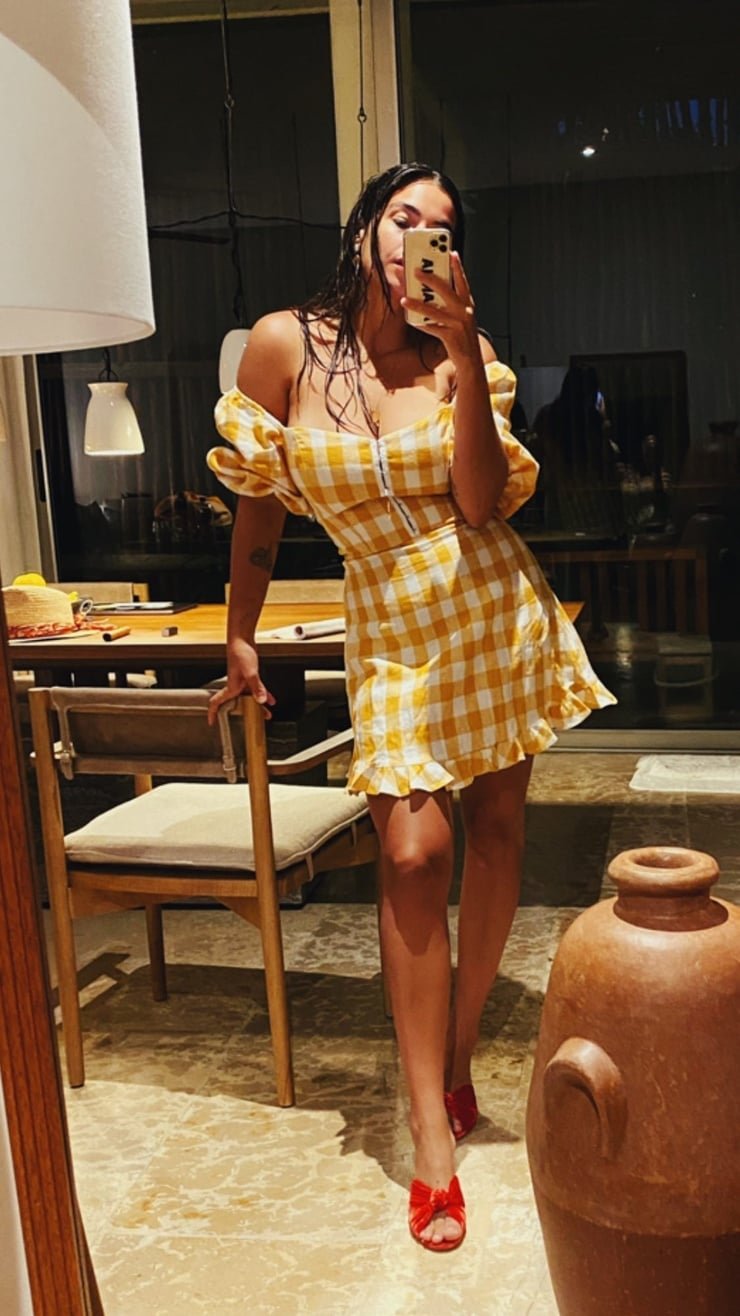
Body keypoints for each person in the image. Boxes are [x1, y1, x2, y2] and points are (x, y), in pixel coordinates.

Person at [207, 162, 615, 1252]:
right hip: (387, 622)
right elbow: (258, 507)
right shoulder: (282, 346)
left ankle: (456, 1052)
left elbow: (479, 500)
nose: (416, 239)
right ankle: (428, 1125)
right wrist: (241, 629)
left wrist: (463, 355)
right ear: (363, 228)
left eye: (440, 226)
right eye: (402, 217)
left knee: (497, 832)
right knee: (411, 853)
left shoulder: (459, 358)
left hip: (488, 608)